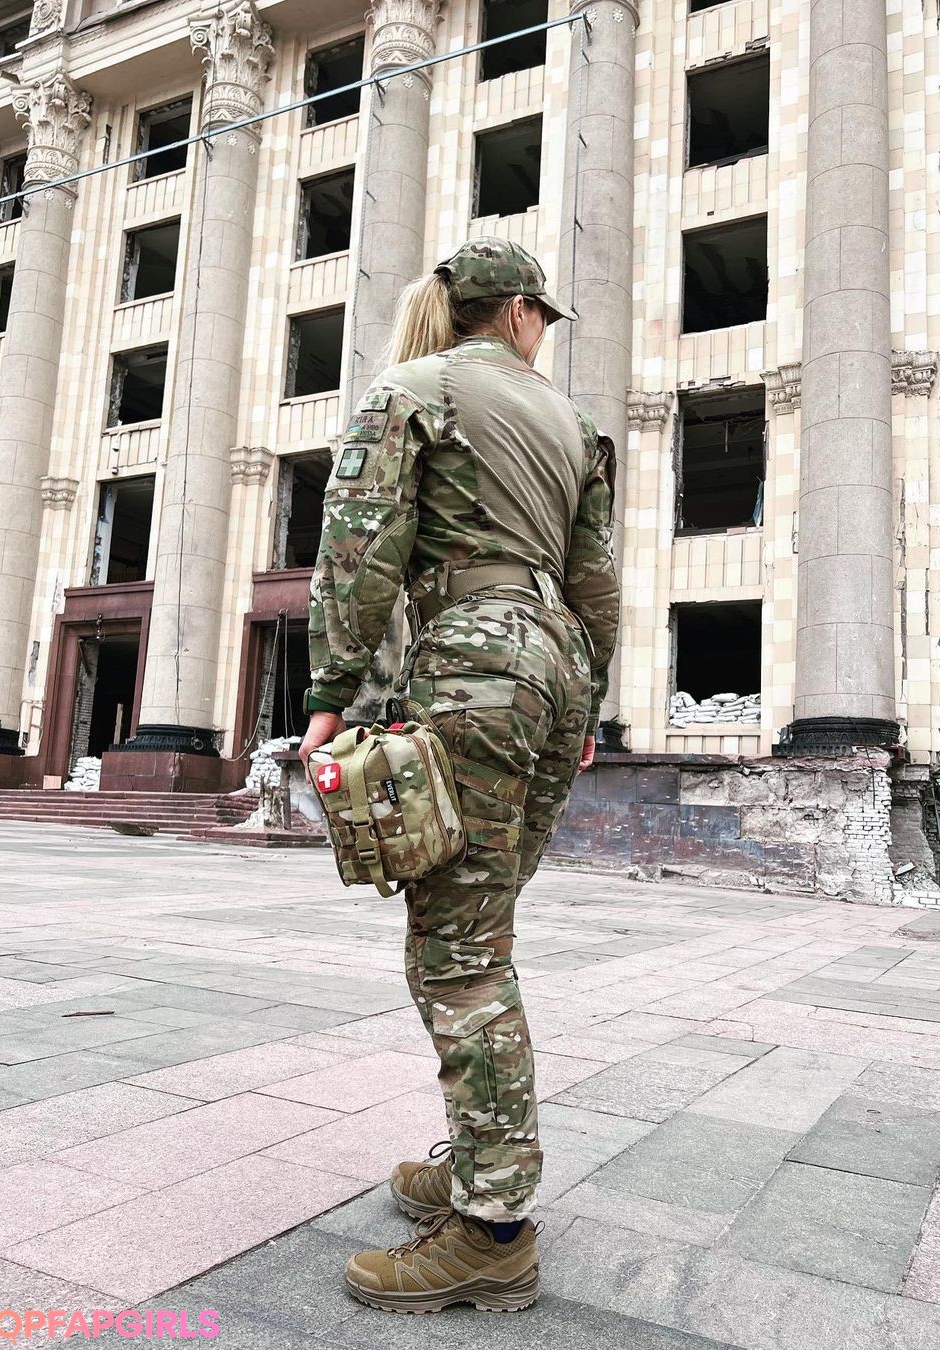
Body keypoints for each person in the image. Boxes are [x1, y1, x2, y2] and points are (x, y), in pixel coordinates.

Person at [299, 237, 619, 1314]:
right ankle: (483, 1161)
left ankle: (492, 1228)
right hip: (555, 667)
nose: (545, 333)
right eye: (545, 318)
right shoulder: (574, 422)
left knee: (459, 953)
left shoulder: (412, 390)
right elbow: (597, 580)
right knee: (485, 929)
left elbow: (359, 547)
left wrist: (331, 690)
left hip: (476, 661)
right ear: (520, 312)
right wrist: (586, 702)